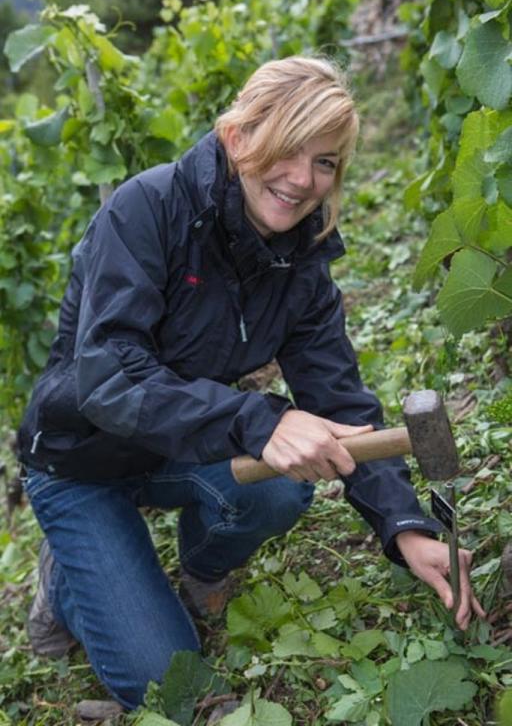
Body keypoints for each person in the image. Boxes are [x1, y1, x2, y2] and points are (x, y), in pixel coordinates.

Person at [18, 56, 485, 711]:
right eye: (288, 149)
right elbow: (109, 379)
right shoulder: (148, 209)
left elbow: (339, 401)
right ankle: (68, 577)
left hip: (177, 444)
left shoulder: (300, 263)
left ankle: (202, 569)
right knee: (167, 682)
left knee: (281, 486)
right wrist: (260, 420)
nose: (303, 179)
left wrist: (405, 526)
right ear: (237, 138)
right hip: (81, 461)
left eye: (325, 162)